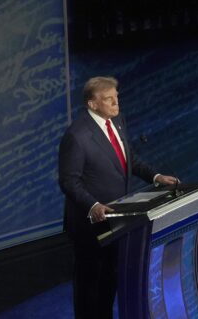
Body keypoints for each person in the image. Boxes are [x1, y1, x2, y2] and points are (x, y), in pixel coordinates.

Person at [58, 76, 178, 319]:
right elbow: (69, 180)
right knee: (89, 286)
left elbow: (128, 159)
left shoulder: (117, 121)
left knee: (110, 280)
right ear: (92, 104)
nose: (116, 103)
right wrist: (92, 205)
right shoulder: (77, 136)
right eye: (108, 99)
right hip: (90, 225)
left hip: (119, 219)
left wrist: (155, 177)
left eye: (116, 98)